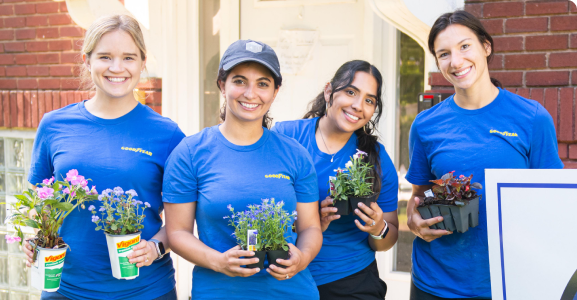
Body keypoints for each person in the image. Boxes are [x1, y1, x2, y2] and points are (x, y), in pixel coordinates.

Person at [23, 15, 185, 300]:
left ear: (143, 63)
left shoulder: (167, 134)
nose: (116, 68)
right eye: (105, 57)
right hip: (66, 289)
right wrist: (31, 235)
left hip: (145, 290)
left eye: (128, 58)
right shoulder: (54, 125)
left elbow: (182, 222)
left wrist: (155, 247)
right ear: (87, 61)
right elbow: (39, 202)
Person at [405, 10, 563, 300]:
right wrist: (414, 222)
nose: (456, 61)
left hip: (508, 282)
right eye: (444, 54)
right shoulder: (426, 125)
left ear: (486, 47)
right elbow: (419, 197)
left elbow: (554, 205)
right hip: (436, 283)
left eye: (465, 46)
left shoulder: (531, 118)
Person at [162, 39, 323, 299]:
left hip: (290, 291)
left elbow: (310, 228)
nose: (250, 93)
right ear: (221, 84)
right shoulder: (190, 153)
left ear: (275, 91)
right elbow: (178, 232)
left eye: (262, 84)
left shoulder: (295, 154)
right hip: (219, 291)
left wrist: (302, 257)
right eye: (239, 81)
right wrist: (218, 262)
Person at [273, 60, 399, 300]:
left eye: (369, 100)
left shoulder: (376, 157)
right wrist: (309, 222)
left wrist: (377, 227)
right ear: (329, 91)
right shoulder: (286, 137)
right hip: (286, 274)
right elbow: (258, 201)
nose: (357, 106)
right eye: (351, 92)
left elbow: (387, 239)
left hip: (351, 282)